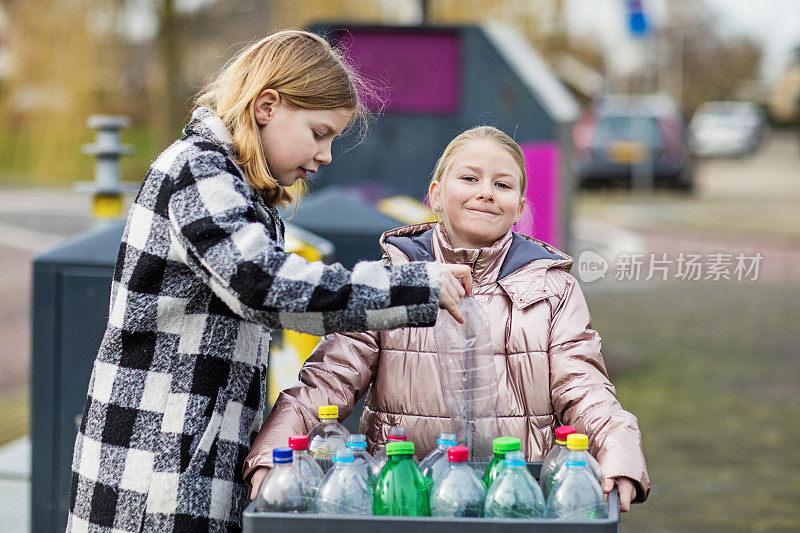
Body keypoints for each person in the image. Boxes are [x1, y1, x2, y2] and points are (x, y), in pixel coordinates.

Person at [66, 30, 473, 533]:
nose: (325, 156)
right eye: (319, 132)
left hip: (186, 464)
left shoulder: (242, 190)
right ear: (266, 106)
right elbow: (261, 284)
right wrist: (412, 287)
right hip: (150, 475)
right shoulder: (197, 170)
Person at [245, 125, 650, 511]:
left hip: (513, 501)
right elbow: (326, 381)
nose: (487, 193)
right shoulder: (390, 281)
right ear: (435, 194)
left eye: (503, 184)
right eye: (470, 179)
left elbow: (584, 386)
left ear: (519, 209)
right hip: (404, 500)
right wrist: (272, 452)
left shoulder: (553, 289)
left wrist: (619, 449)